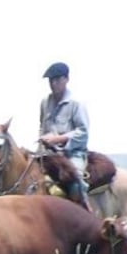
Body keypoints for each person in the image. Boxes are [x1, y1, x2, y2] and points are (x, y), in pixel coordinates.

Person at [38, 61, 92, 212]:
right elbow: (42, 127)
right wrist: (42, 142)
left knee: (75, 181)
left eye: (57, 79)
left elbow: (83, 132)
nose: (53, 83)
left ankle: (83, 213)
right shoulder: (45, 102)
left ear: (66, 79)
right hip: (49, 154)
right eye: (50, 80)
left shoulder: (76, 103)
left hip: (72, 153)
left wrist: (58, 139)